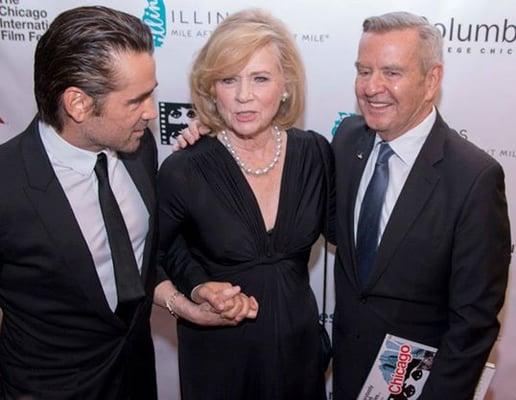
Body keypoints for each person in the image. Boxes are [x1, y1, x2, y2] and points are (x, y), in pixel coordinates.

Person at [0, 6, 241, 400]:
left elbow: (138, 263)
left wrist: (186, 300)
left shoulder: (137, 147)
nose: (151, 113)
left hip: (138, 379)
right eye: (136, 100)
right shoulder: (7, 184)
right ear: (78, 104)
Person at [331, 11, 511, 399]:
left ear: (432, 81)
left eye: (391, 73)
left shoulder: (475, 178)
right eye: (364, 71)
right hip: (344, 378)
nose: (372, 87)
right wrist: (217, 136)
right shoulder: (346, 140)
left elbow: (473, 326)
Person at [158, 8, 332, 400]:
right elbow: (156, 254)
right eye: (228, 79)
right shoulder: (184, 168)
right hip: (219, 362)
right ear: (211, 89)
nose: (243, 96)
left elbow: (353, 233)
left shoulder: (315, 153)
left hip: (299, 356)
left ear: (285, 84)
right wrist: (195, 292)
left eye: (260, 78)